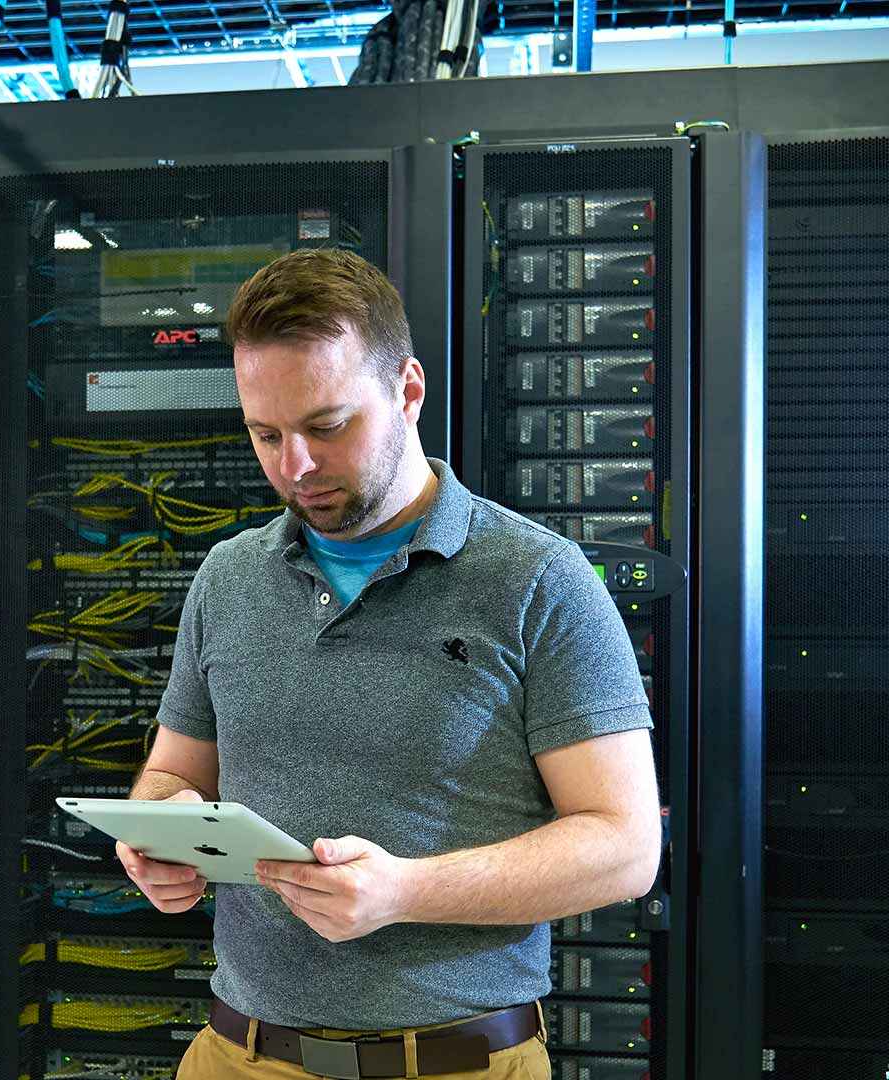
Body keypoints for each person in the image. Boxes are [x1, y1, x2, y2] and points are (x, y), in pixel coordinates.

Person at [119, 248, 661, 1080]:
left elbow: (625, 849)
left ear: (408, 390)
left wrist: (403, 891)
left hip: (457, 1063)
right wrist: (159, 836)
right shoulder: (228, 577)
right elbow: (170, 772)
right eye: (266, 434)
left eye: (327, 426)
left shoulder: (537, 580)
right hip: (238, 1054)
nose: (294, 465)